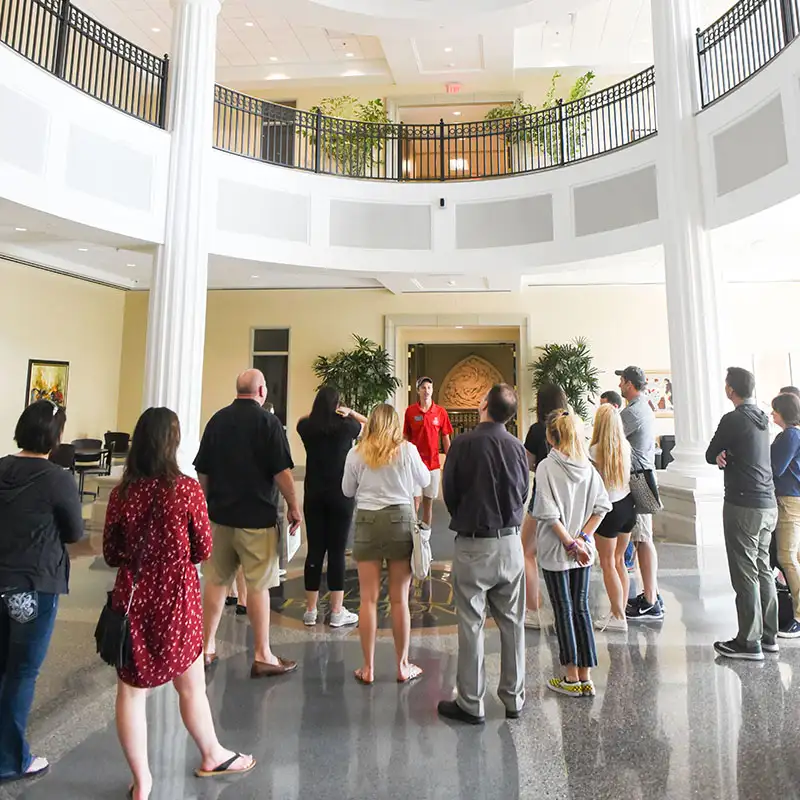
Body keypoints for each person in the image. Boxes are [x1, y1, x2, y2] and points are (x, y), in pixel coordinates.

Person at [104, 408, 254, 799]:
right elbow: (203, 547)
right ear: (172, 442)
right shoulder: (185, 489)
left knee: (130, 693)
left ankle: (142, 782)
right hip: (175, 600)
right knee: (191, 686)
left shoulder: (122, 493)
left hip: (133, 599)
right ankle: (212, 754)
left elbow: (111, 551)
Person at [195, 369, 301, 678]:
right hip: (256, 518)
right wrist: (294, 506)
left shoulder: (216, 421)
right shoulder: (268, 423)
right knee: (258, 585)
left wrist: (204, 507)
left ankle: (206, 648)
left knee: (215, 581)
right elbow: (282, 471)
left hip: (220, 517)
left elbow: (203, 470)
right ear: (262, 391)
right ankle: (262, 654)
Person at [0, 401, 82, 785]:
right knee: (21, 674)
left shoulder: (0, 467)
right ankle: (11, 760)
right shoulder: (57, 478)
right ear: (55, 437)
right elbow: (74, 533)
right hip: (33, 585)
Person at [437, 384, 529, 724]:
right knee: (513, 623)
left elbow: (450, 492)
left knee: (471, 624)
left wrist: (468, 515)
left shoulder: (463, 444)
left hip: (474, 543)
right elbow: (522, 492)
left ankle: (471, 703)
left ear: (485, 404)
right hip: (510, 543)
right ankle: (513, 698)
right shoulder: (517, 447)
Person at [342, 404, 429, 684]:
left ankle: (368, 668)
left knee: (367, 599)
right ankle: (402, 666)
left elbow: (347, 490)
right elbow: (426, 480)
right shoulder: (407, 450)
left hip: (367, 521)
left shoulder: (356, 453)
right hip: (400, 521)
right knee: (399, 598)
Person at [533, 410, 611, 697]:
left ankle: (569, 677)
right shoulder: (588, 469)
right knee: (581, 608)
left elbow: (549, 514)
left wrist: (569, 543)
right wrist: (583, 539)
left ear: (552, 436)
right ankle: (586, 676)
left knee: (563, 610)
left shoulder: (546, 467)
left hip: (558, 550)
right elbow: (601, 509)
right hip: (583, 551)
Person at [707, 367, 778, 661]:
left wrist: (721, 456)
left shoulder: (733, 419)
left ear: (730, 390)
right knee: (763, 568)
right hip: (768, 503)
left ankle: (749, 642)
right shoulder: (763, 418)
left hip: (743, 503)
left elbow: (712, 452)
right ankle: (769, 635)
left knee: (745, 571)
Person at [297, 387, 366, 628]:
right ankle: (337, 611)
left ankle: (310, 611)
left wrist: (320, 412)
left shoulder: (306, 428)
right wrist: (350, 412)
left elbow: (301, 420)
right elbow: (367, 425)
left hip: (313, 494)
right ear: (338, 405)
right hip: (341, 495)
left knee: (315, 550)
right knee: (337, 551)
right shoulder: (347, 427)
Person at [617, 366, 663, 621]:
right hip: (640, 476)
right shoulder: (641, 406)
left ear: (630, 384)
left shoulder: (634, 411)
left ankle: (651, 601)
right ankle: (651, 592)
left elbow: (610, 436)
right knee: (640, 539)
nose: (620, 385)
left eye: (622, 381)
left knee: (644, 539)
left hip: (640, 479)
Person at [521, 383, 567, 629]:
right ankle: (565, 609)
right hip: (572, 497)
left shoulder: (538, 430)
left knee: (527, 551)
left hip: (544, 496)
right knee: (566, 551)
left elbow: (529, 463)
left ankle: (533, 609)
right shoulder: (574, 426)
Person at [589, 404, 635, 632]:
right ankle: (620, 610)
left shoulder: (594, 451)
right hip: (628, 506)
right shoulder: (625, 446)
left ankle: (618, 615)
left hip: (609, 510)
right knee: (619, 561)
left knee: (607, 563)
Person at [403, 377, 453, 527]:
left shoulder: (440, 412)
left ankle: (425, 536)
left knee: (428, 503)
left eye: (429, 388)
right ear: (418, 390)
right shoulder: (410, 412)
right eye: (423, 388)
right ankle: (411, 535)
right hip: (414, 463)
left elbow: (445, 437)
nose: (426, 391)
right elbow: (405, 436)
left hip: (432, 464)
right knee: (414, 501)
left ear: (432, 390)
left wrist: (450, 459)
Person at [770, 392, 800, 637]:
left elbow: (775, 468)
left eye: (775, 410)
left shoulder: (790, 435)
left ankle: (799, 616)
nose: (772, 414)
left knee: (787, 558)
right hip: (794, 498)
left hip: (789, 501)